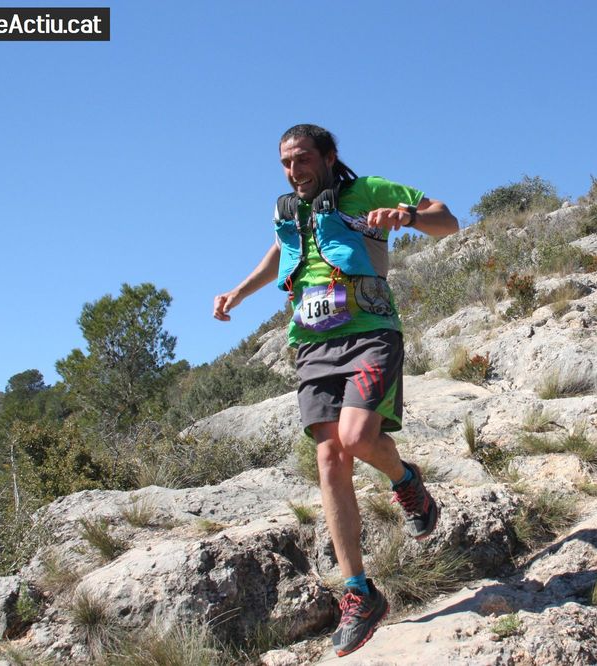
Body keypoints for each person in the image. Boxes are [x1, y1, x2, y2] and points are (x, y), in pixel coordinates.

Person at [213, 124, 458, 657]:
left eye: (302, 158)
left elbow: (448, 219)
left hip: (369, 332)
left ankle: (406, 481)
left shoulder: (367, 190)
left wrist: (409, 217)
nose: (293, 170)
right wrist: (239, 291)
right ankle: (359, 593)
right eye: (285, 162)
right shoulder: (289, 210)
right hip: (311, 343)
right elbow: (282, 253)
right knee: (329, 458)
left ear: (327, 156)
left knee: (357, 437)